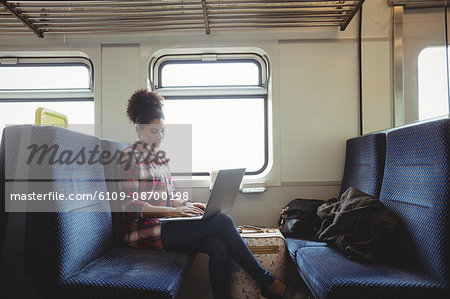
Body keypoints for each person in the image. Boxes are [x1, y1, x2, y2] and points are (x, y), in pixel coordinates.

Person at [117, 89, 303, 299]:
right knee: (222, 222)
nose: (160, 137)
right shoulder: (129, 157)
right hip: (141, 231)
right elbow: (130, 207)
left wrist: (189, 205)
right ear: (139, 130)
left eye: (163, 131)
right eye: (154, 131)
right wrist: (173, 213)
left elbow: (171, 196)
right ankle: (268, 282)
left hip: (163, 224)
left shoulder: (160, 159)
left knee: (218, 247)